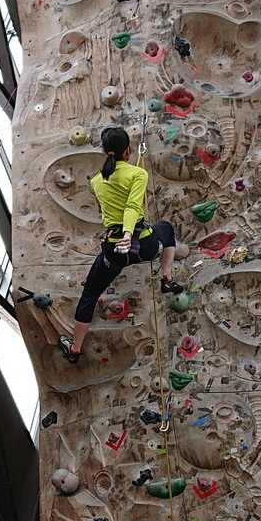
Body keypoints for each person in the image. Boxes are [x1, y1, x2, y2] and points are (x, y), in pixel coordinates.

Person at [59, 126, 183, 363]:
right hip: (143, 246)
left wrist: (123, 235)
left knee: (90, 294)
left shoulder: (97, 181)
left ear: (105, 152)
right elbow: (132, 207)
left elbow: (113, 203)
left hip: (113, 252)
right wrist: (128, 233)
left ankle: (74, 349)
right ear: (127, 151)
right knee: (165, 229)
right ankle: (167, 279)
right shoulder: (138, 174)